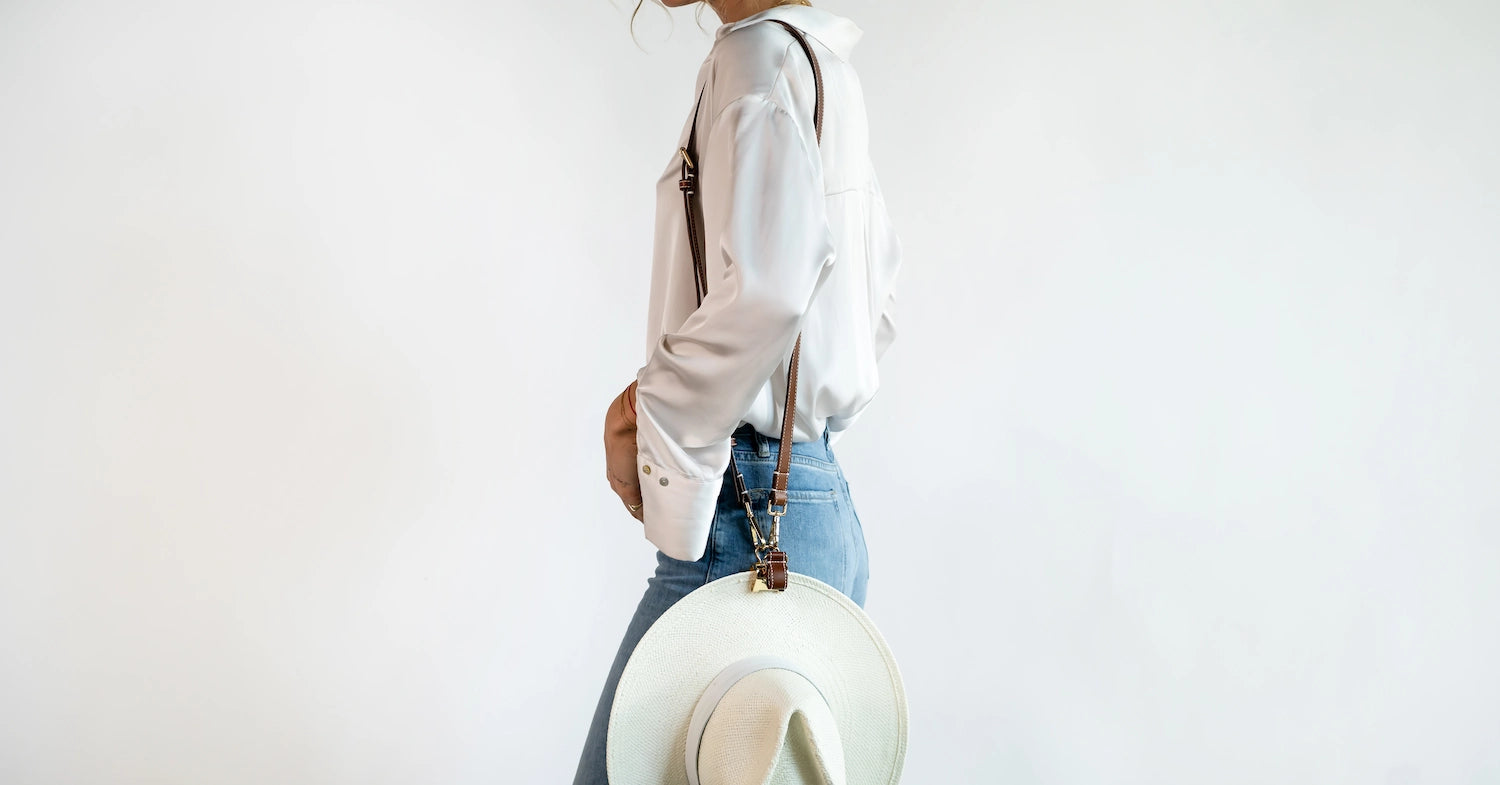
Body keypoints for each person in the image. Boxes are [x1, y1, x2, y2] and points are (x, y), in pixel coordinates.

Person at [578, 1, 901, 782]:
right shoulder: (823, 67)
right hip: (815, 507)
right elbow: (876, 306)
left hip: (752, 518)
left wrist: (653, 414)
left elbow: (771, 288)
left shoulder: (754, 63)